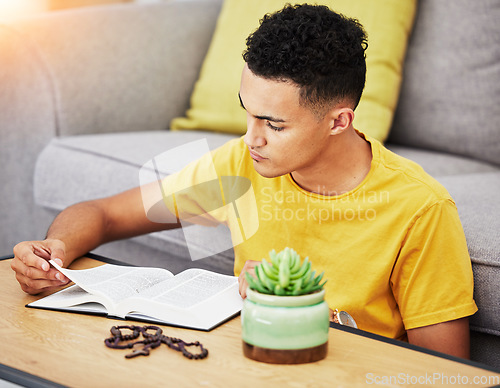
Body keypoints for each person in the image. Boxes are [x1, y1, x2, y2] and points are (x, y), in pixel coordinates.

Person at [11, 4, 476, 358]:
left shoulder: (419, 208)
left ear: (338, 121)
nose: (251, 139)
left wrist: (301, 311)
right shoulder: (240, 165)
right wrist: (55, 251)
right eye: (247, 112)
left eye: (274, 124)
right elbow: (104, 214)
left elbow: (446, 372)